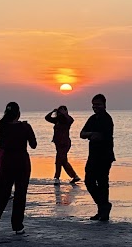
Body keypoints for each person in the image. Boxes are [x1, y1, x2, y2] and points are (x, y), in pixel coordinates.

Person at [0, 102, 37, 236]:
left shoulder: (2, 127)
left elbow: (1, 142)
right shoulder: (25, 127)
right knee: (20, 195)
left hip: (7, 162)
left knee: (2, 195)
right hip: (22, 162)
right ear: (18, 114)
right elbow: (33, 145)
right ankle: (17, 226)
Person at [79, 92, 115, 222]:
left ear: (104, 105)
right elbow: (82, 134)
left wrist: (91, 135)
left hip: (105, 156)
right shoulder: (92, 119)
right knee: (89, 181)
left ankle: (103, 211)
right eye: (93, 105)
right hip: (93, 156)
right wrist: (91, 134)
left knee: (102, 183)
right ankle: (103, 206)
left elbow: (100, 136)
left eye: (98, 105)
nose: (95, 107)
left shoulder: (107, 119)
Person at [44, 105, 80, 183]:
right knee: (63, 161)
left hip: (65, 144)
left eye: (61, 112)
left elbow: (71, 120)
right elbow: (47, 118)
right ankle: (75, 176)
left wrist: (65, 114)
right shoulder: (57, 121)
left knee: (58, 161)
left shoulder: (67, 121)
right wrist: (53, 111)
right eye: (59, 112)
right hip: (58, 144)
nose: (60, 114)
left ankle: (57, 178)